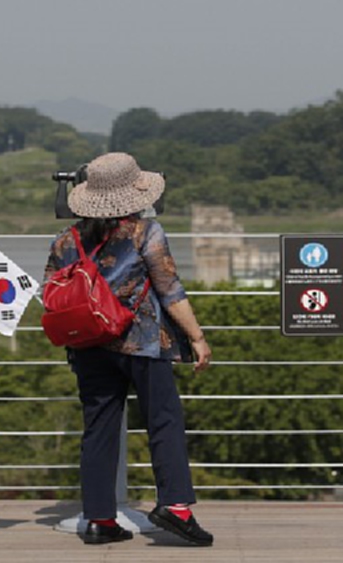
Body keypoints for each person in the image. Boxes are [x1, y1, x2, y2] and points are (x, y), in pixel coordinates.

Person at [43, 152, 214, 546]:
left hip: (88, 345)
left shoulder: (65, 240)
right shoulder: (146, 233)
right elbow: (170, 291)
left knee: (98, 428)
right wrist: (197, 337)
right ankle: (175, 507)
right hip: (144, 343)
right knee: (164, 420)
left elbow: (51, 293)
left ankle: (100, 519)